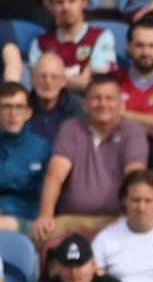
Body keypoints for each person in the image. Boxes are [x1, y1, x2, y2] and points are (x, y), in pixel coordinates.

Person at [32, 74, 147, 244]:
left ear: (122, 105)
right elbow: (55, 174)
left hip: (116, 218)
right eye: (96, 98)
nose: (102, 104)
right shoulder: (71, 128)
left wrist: (125, 217)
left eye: (109, 98)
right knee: (40, 236)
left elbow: (135, 177)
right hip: (72, 218)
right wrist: (46, 216)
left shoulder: (133, 132)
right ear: (85, 103)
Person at [29, 0, 115, 94]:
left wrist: (53, 78)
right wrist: (82, 78)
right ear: (51, 5)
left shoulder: (101, 37)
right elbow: (37, 85)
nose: (66, 7)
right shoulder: (40, 43)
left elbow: (99, 87)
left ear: (84, 2)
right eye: (59, 2)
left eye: (72, 1)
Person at [0, 81, 49, 233]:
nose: (13, 113)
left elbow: (43, 194)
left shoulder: (41, 147)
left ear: (29, 113)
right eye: (7, 106)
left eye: (19, 107)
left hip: (26, 219)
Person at [28, 51, 82, 145]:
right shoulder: (21, 105)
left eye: (54, 77)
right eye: (42, 76)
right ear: (32, 78)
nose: (48, 81)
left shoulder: (77, 109)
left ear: (64, 81)